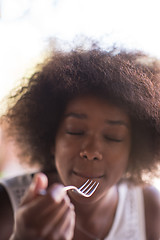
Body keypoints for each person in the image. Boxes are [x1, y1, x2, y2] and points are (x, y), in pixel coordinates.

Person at [0, 43, 160, 240]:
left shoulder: (148, 208)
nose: (92, 151)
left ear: (133, 150)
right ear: (52, 139)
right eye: (75, 131)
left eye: (113, 136)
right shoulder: (7, 205)